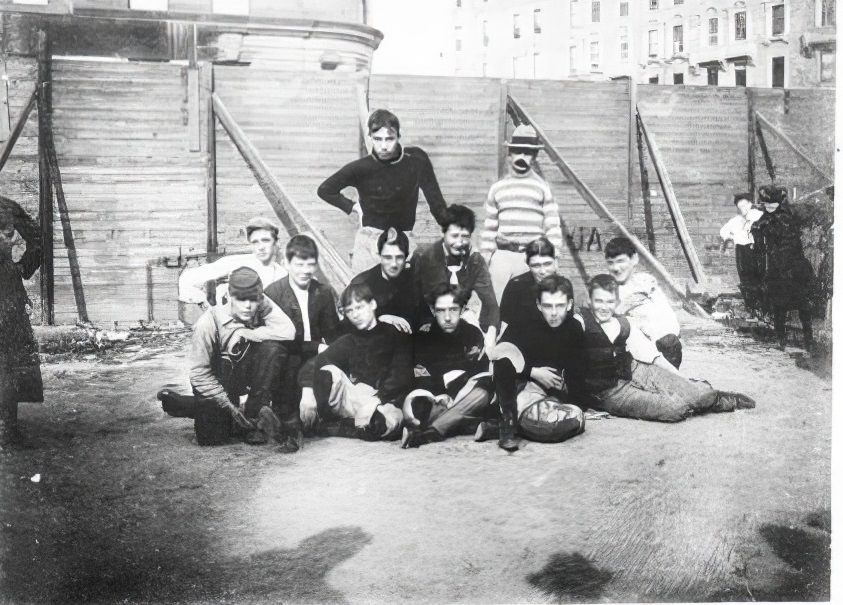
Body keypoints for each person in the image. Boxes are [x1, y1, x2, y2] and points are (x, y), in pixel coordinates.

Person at [580, 274, 755, 423]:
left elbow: (651, 355)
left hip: (633, 370)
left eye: (609, 301)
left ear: (617, 301)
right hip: (609, 392)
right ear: (589, 301)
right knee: (675, 409)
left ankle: (715, 397)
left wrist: (681, 379)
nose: (604, 307)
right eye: (598, 301)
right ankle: (693, 396)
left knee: (697, 394)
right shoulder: (580, 322)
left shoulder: (624, 322)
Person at [158, 267, 296, 446]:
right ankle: (186, 405)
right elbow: (200, 374)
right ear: (229, 297)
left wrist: (246, 333)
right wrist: (229, 407)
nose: (248, 306)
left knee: (274, 348)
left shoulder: (262, 302)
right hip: (217, 380)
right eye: (241, 299)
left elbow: (288, 331)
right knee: (214, 439)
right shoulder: (208, 323)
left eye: (254, 300)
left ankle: (253, 413)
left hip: (244, 373)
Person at [317, 109, 449, 273]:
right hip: (369, 243)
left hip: (403, 243)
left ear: (399, 136)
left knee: (406, 295)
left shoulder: (416, 161)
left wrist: (452, 232)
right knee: (362, 295)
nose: (384, 146)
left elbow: (436, 203)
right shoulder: (361, 168)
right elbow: (325, 190)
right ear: (370, 137)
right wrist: (351, 206)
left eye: (390, 139)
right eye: (378, 139)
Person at [479, 274, 587, 452]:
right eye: (547, 306)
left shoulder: (574, 328)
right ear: (538, 305)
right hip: (515, 388)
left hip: (547, 394)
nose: (553, 313)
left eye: (560, 306)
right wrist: (531, 372)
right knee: (504, 363)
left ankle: (496, 427)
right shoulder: (524, 323)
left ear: (569, 304)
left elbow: (577, 373)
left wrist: (573, 403)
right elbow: (499, 357)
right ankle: (508, 427)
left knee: (567, 421)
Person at [301, 283, 411, 441]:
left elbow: (401, 375)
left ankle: (337, 427)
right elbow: (319, 361)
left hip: (384, 399)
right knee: (325, 370)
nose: (355, 315)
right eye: (350, 311)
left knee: (386, 421)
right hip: (356, 398)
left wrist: (377, 399)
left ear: (372, 304)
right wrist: (307, 391)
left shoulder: (394, 334)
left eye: (359, 307)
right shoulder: (350, 339)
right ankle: (335, 425)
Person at [263, 235, 342, 452]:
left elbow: (333, 334)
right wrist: (316, 347)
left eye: (311, 264)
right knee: (287, 363)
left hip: (313, 359)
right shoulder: (273, 293)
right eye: (299, 264)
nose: (306, 270)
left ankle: (304, 420)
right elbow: (277, 340)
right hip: (286, 356)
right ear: (286, 263)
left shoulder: (323, 292)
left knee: (323, 367)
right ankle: (289, 425)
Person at [400, 284, 495, 449]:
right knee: (416, 404)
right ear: (432, 310)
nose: (448, 317)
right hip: (436, 397)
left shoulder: (472, 333)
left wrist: (454, 393)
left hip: (464, 393)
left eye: (453, 310)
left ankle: (432, 432)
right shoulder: (423, 336)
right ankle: (467, 424)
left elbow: (479, 371)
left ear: (462, 309)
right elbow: (422, 373)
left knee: (485, 389)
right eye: (441, 311)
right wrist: (440, 395)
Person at [479, 124, 563, 301]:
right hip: (502, 257)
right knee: (496, 305)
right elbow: (489, 230)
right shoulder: (497, 188)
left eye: (527, 153)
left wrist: (554, 259)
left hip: (532, 258)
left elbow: (553, 227)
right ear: (510, 153)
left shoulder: (542, 188)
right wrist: (485, 259)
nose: (522, 157)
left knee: (533, 305)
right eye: (517, 151)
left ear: (534, 156)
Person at [414, 204, 499, 332]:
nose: (459, 243)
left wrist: (491, 335)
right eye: (454, 236)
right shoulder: (427, 259)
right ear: (442, 232)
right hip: (434, 322)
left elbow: (490, 303)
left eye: (465, 236)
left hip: (465, 321)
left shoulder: (475, 260)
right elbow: (418, 300)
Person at [751, 185, 815, 353]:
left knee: (802, 305)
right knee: (780, 306)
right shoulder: (763, 222)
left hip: (793, 267)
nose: (769, 207)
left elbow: (797, 238)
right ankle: (782, 339)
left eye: (772, 204)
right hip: (778, 269)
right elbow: (759, 244)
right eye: (767, 205)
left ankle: (808, 339)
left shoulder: (789, 217)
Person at [0, 195, 42, 446]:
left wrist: (22, 268)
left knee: (8, 362)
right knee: (7, 362)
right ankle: (7, 429)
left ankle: (7, 429)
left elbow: (37, 239)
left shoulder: (6, 207)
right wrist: (23, 267)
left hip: (6, 295)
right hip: (7, 295)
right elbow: (37, 240)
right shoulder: (6, 206)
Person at [604, 237, 683, 368]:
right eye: (611, 263)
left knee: (669, 341)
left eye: (621, 261)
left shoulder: (644, 280)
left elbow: (665, 313)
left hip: (664, 340)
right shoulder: (609, 288)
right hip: (639, 345)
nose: (616, 268)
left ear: (634, 259)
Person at [178, 216, 287, 307]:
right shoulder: (236, 262)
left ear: (276, 242)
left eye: (265, 240)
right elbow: (186, 279)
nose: (261, 247)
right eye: (255, 242)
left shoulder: (282, 274)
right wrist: (207, 303)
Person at [348, 227, 418, 333]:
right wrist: (380, 320)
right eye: (388, 257)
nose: (393, 264)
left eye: (399, 257)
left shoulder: (412, 279)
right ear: (379, 256)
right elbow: (348, 329)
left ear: (406, 257)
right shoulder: (359, 284)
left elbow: (424, 315)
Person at [499, 236, 559, 329]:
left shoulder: (563, 286)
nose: (542, 271)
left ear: (555, 262)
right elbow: (505, 325)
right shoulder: (515, 287)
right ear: (528, 264)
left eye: (547, 264)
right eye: (536, 266)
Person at [719, 193, 764, 316]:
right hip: (741, 250)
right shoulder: (737, 220)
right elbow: (724, 230)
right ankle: (751, 306)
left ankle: (760, 306)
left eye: (745, 205)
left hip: (756, 249)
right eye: (740, 207)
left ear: (750, 204)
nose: (743, 209)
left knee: (757, 276)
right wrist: (730, 238)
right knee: (744, 275)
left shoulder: (758, 215)